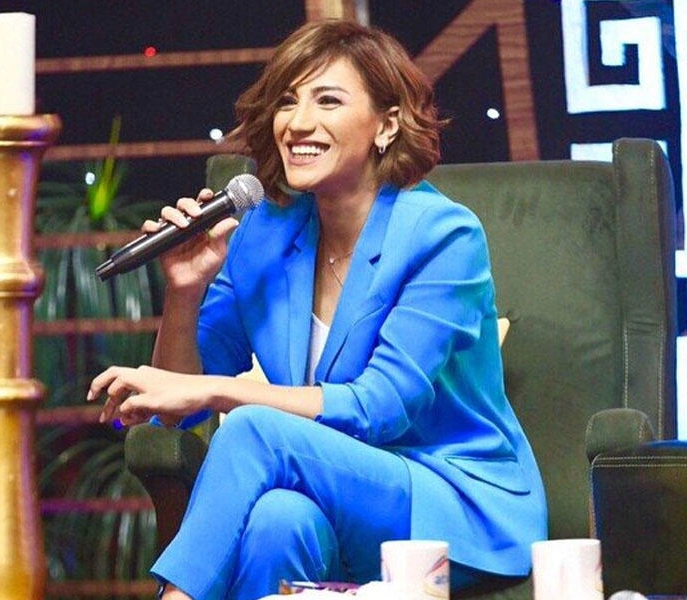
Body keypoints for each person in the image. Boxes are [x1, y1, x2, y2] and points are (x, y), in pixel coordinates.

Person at [87, 18, 547, 600]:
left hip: (448, 506)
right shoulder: (262, 232)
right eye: (287, 101)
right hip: (325, 501)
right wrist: (184, 290)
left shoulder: (442, 235)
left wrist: (217, 394)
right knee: (278, 520)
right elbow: (181, 402)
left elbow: (379, 408)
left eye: (327, 100)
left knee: (253, 428)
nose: (298, 123)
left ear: (387, 124)